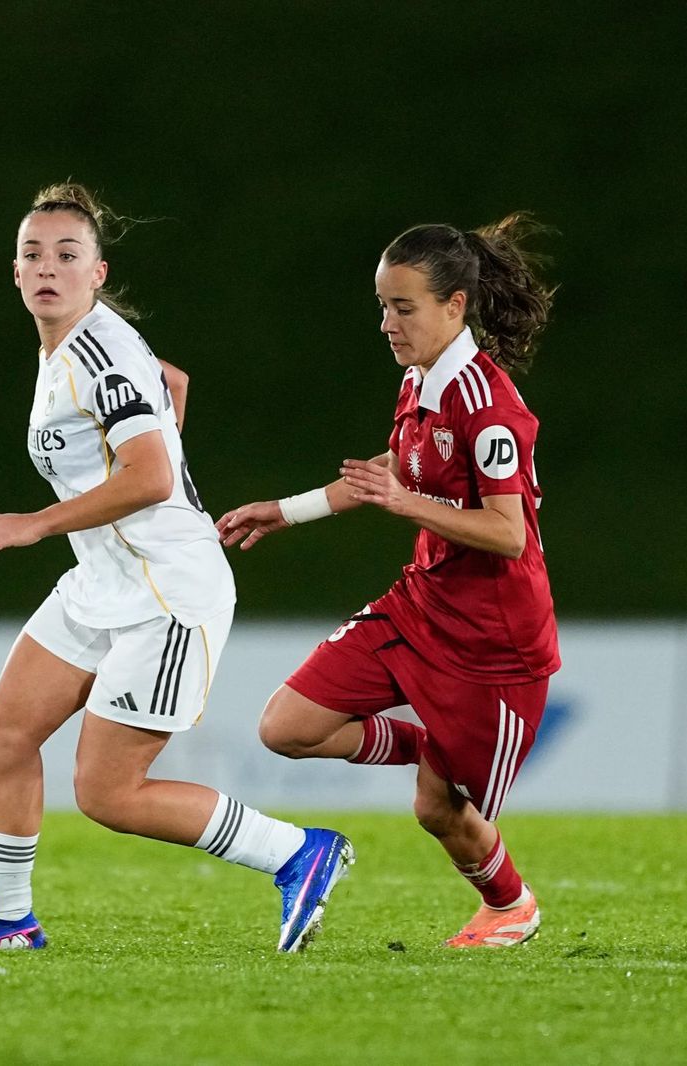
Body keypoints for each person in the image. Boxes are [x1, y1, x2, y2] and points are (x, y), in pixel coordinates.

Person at [0, 182, 352, 952]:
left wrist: (35, 523)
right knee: (3, 734)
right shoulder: (76, 345)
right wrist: (158, 436)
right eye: (33, 253)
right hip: (103, 581)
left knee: (108, 792)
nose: (48, 267)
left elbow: (150, 477)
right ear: (15, 271)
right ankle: (8, 924)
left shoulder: (96, 351)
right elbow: (172, 383)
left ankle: (296, 853)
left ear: (97, 272)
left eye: (68, 254)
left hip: (166, 594)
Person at [216, 215, 559, 948]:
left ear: (455, 306)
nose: (386, 324)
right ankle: (430, 741)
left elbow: (509, 533)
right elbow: (397, 470)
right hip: (422, 605)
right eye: (383, 306)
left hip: (494, 644)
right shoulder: (419, 381)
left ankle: (509, 906)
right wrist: (286, 511)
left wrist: (410, 504)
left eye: (403, 308)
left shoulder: (490, 407)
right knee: (285, 727)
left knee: (437, 811)